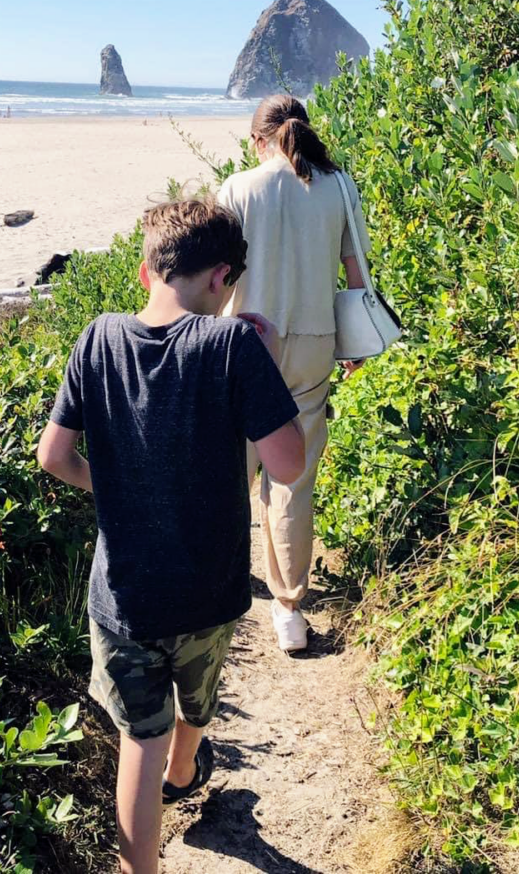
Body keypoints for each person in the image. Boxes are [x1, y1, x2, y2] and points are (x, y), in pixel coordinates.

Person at [37, 199, 305, 874]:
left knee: (139, 744)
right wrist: (262, 364)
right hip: (208, 591)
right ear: (223, 279)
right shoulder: (234, 345)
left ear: (144, 271)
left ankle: (153, 834)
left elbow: (54, 457)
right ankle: (187, 772)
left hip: (124, 595)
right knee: (197, 700)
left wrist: (118, 486)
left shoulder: (97, 339)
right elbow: (287, 464)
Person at [216, 93, 372, 654]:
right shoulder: (338, 185)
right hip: (313, 342)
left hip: (246, 339)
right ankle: (288, 610)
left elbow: (219, 273)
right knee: (292, 480)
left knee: (229, 464)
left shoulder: (238, 188)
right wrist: (354, 341)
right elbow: (356, 270)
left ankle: (221, 582)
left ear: (258, 139)